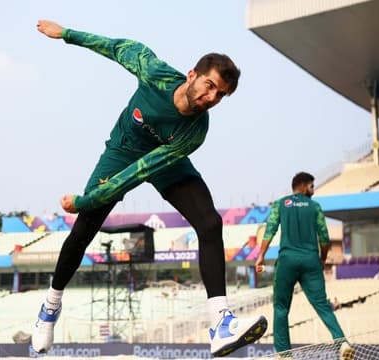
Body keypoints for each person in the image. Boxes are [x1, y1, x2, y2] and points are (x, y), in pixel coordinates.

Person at [33, 19, 267, 357]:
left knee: (210, 223)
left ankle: (220, 324)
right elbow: (112, 47)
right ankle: (50, 308)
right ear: (192, 74)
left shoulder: (195, 131)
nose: (211, 97)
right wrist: (67, 35)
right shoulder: (153, 69)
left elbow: (142, 172)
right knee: (85, 227)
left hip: (162, 159)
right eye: (209, 85)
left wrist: (86, 197)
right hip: (123, 150)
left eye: (220, 95)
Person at [255, 172, 353, 359]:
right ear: (301, 185)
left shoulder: (281, 204)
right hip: (310, 261)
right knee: (323, 305)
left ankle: (285, 354)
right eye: (311, 186)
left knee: (281, 308)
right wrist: (322, 260)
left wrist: (261, 256)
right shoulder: (314, 207)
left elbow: (270, 229)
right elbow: (324, 237)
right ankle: (342, 343)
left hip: (287, 260)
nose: (313, 190)